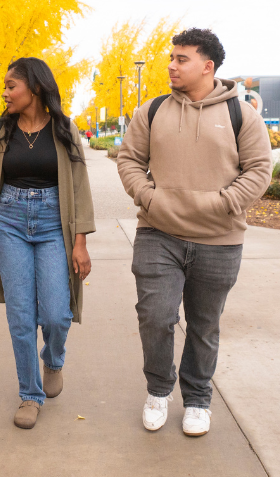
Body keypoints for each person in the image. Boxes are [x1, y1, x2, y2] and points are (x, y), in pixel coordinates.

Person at [117, 28, 273, 436]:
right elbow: (129, 160)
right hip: (158, 233)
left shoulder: (243, 115)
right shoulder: (151, 111)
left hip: (220, 240)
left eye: (181, 58)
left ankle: (198, 399)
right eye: (172, 57)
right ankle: (157, 390)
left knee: (205, 325)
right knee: (155, 316)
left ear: (208, 66)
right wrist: (149, 198)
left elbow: (259, 170)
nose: (171, 64)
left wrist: (222, 204)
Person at [0, 57, 95, 429]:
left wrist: (80, 243)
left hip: (53, 223)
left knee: (58, 313)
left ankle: (53, 360)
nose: (6, 92)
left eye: (12, 85)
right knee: (21, 316)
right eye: (5, 86)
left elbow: (79, 186)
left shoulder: (64, 129)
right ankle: (30, 394)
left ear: (36, 88)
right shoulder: (0, 131)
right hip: (9, 221)